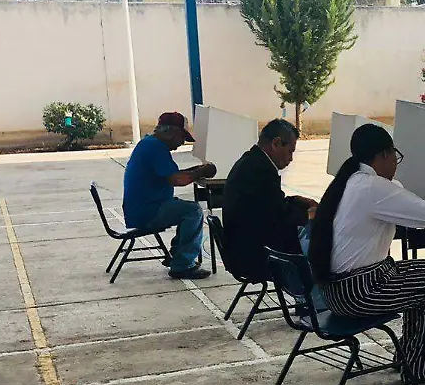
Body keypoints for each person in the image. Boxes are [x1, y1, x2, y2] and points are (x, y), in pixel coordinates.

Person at [309, 123, 425, 385]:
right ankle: (423, 366)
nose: (396, 164)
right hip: (357, 292)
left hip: (341, 287)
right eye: (395, 157)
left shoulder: (351, 181)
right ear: (384, 154)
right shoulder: (372, 187)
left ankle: (411, 354)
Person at [122, 111, 217, 280]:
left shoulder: (150, 144)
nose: (182, 143)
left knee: (185, 208)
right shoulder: (155, 148)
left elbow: (172, 174)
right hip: (147, 211)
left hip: (142, 207)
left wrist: (197, 170)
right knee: (193, 211)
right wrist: (202, 171)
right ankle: (183, 265)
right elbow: (177, 180)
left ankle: (177, 255)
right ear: (171, 132)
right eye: (182, 137)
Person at [222, 119, 318, 281]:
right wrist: (309, 215)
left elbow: (269, 203)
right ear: (276, 143)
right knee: (317, 243)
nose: (291, 159)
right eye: (290, 151)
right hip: (253, 256)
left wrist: (296, 200)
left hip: (244, 246)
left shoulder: (252, 161)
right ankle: (312, 293)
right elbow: (280, 214)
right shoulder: (259, 170)